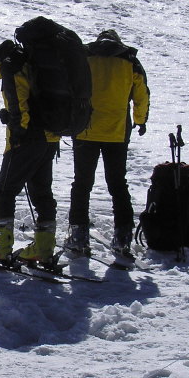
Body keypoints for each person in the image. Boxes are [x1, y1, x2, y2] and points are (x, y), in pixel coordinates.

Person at [0, 42, 60, 264]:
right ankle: (44, 246)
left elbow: (19, 100)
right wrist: (10, 114)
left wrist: (17, 127)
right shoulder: (27, 60)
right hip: (50, 137)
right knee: (41, 192)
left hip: (27, 140)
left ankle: (0, 245)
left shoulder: (9, 66)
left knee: (4, 192)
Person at [65, 29, 150, 258]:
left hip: (85, 130)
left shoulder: (85, 56)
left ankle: (78, 236)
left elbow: (70, 86)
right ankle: (122, 239)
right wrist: (140, 120)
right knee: (118, 185)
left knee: (82, 184)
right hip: (117, 132)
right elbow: (141, 94)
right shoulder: (130, 60)